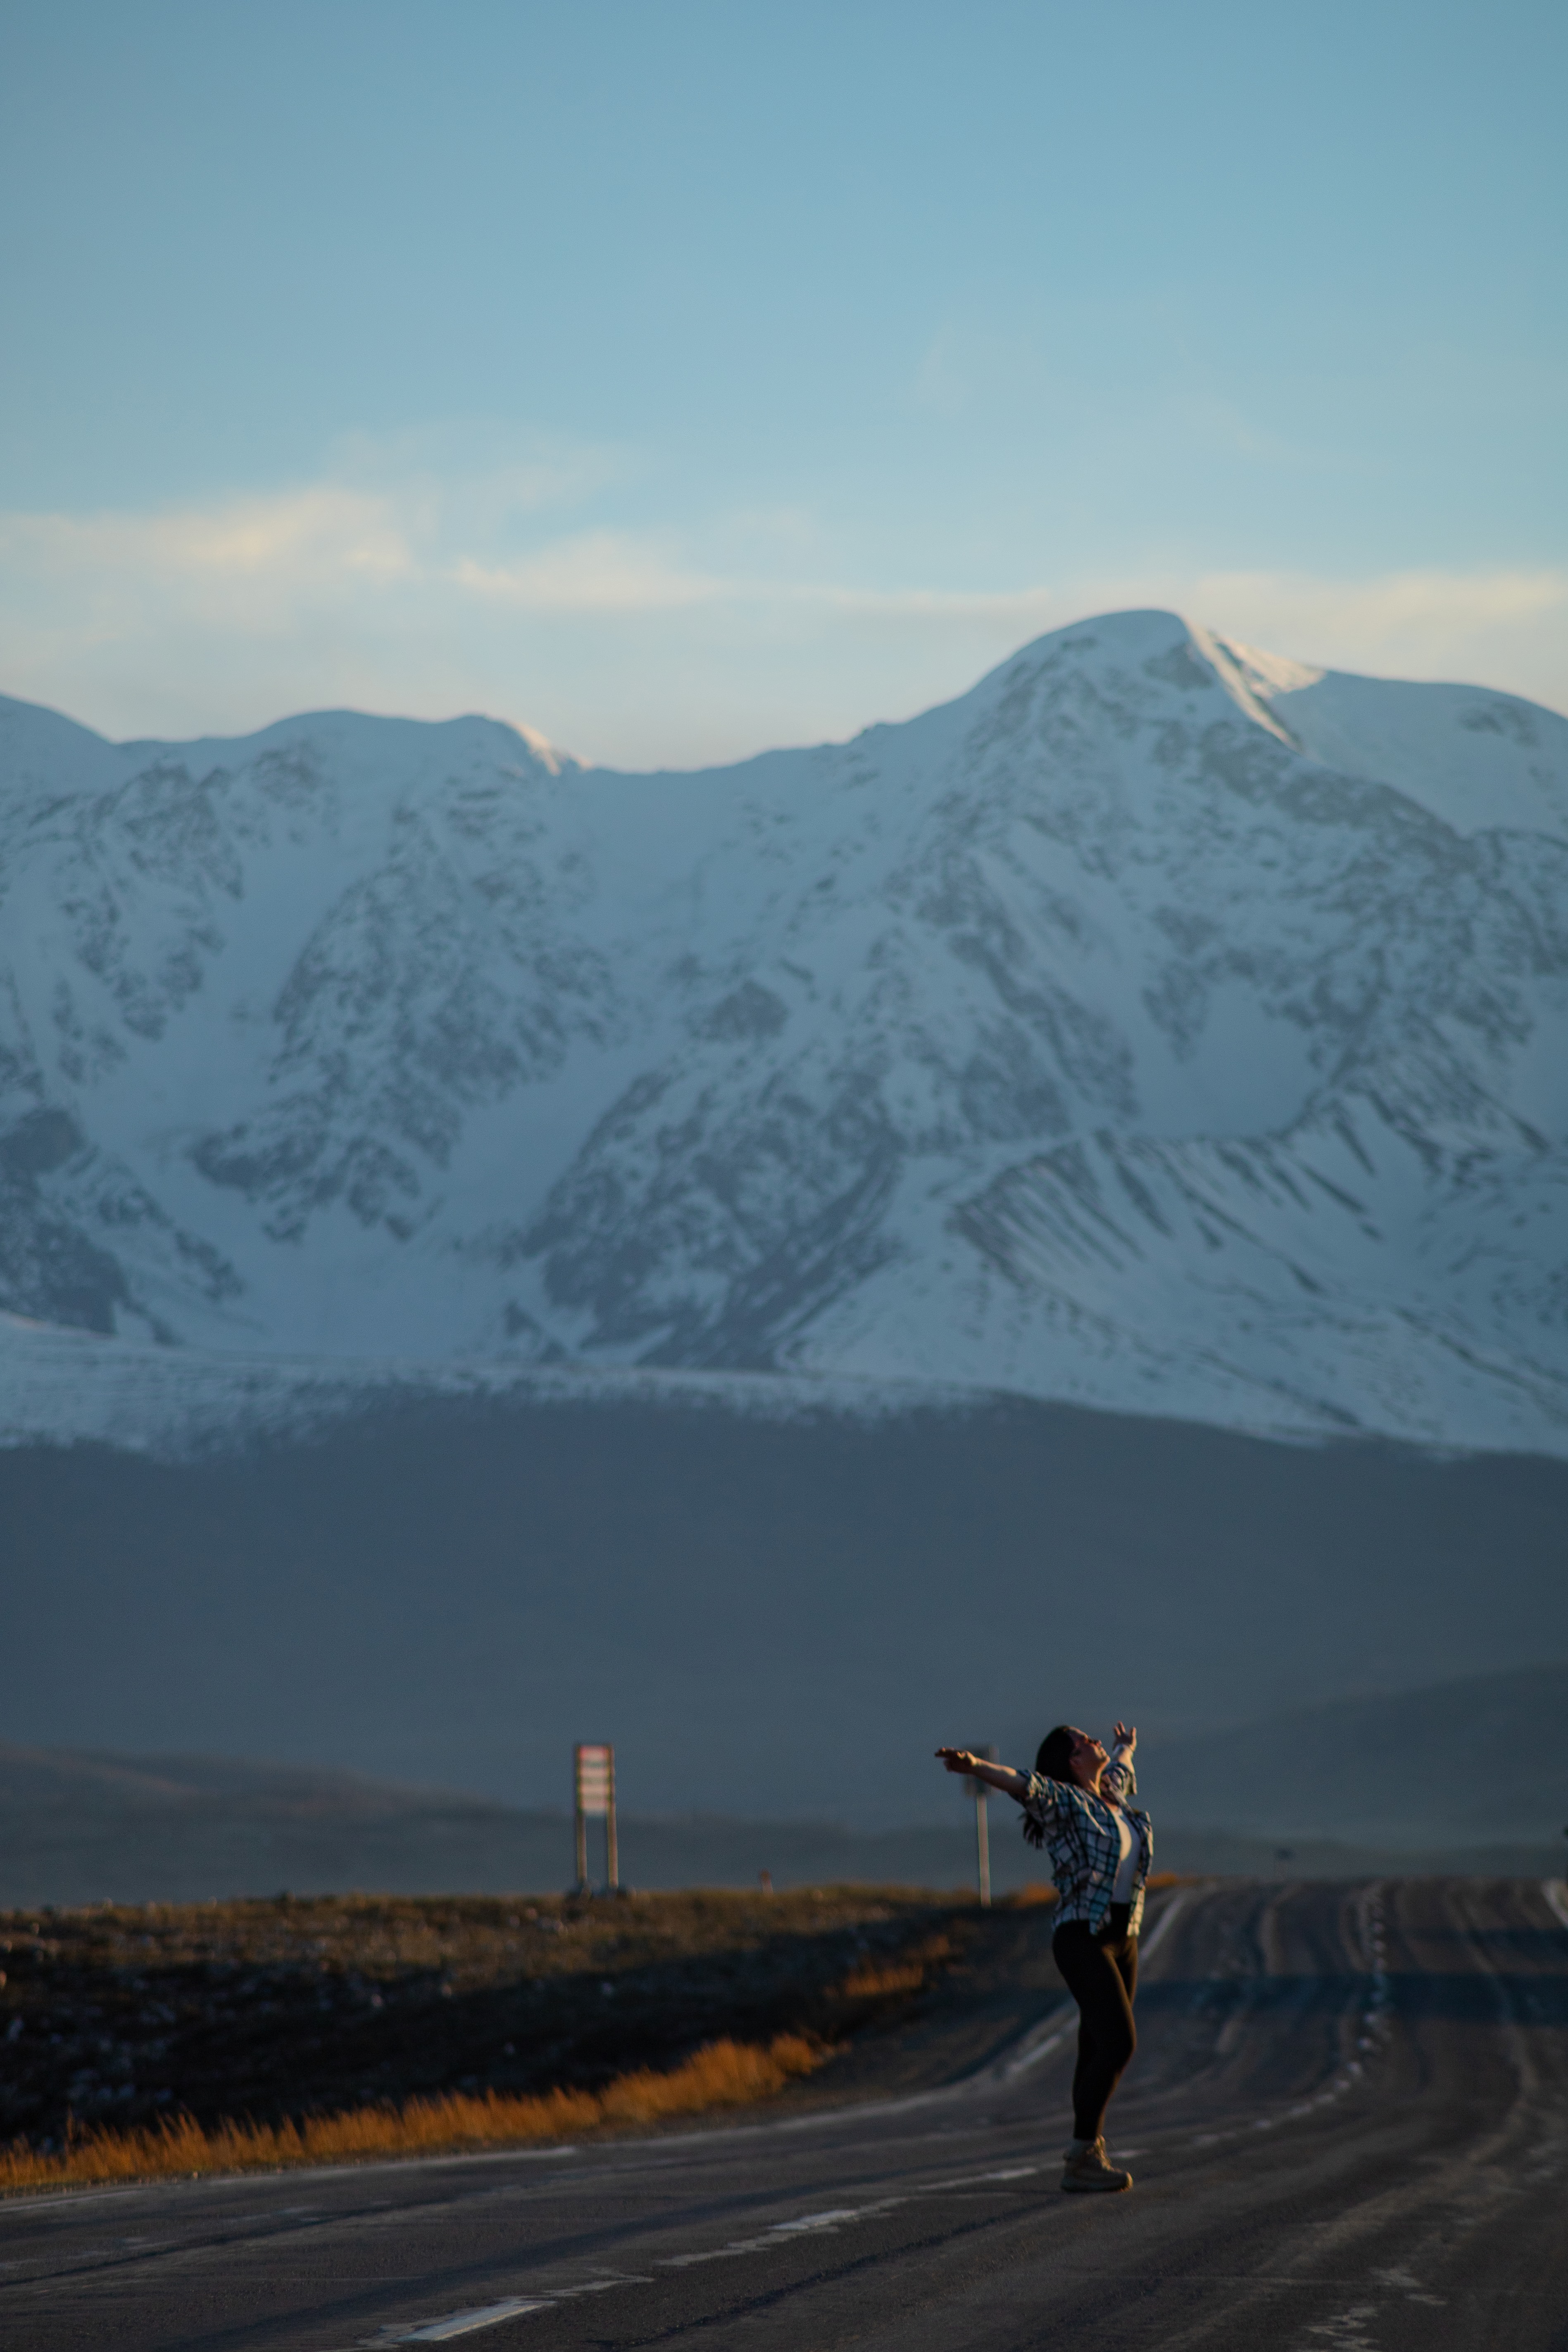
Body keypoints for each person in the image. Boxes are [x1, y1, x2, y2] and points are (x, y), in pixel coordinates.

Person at [935, 1722, 1151, 2193]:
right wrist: (975, 1767)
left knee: (1095, 2045)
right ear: (1072, 1761)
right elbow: (1022, 1782)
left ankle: (1086, 2154)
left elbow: (1121, 1770)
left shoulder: (1111, 1792)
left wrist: (1124, 1747)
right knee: (1119, 2042)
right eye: (1085, 1741)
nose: (1093, 1741)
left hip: (1124, 1938)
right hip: (1082, 1935)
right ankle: (1082, 2153)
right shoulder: (1064, 1803)